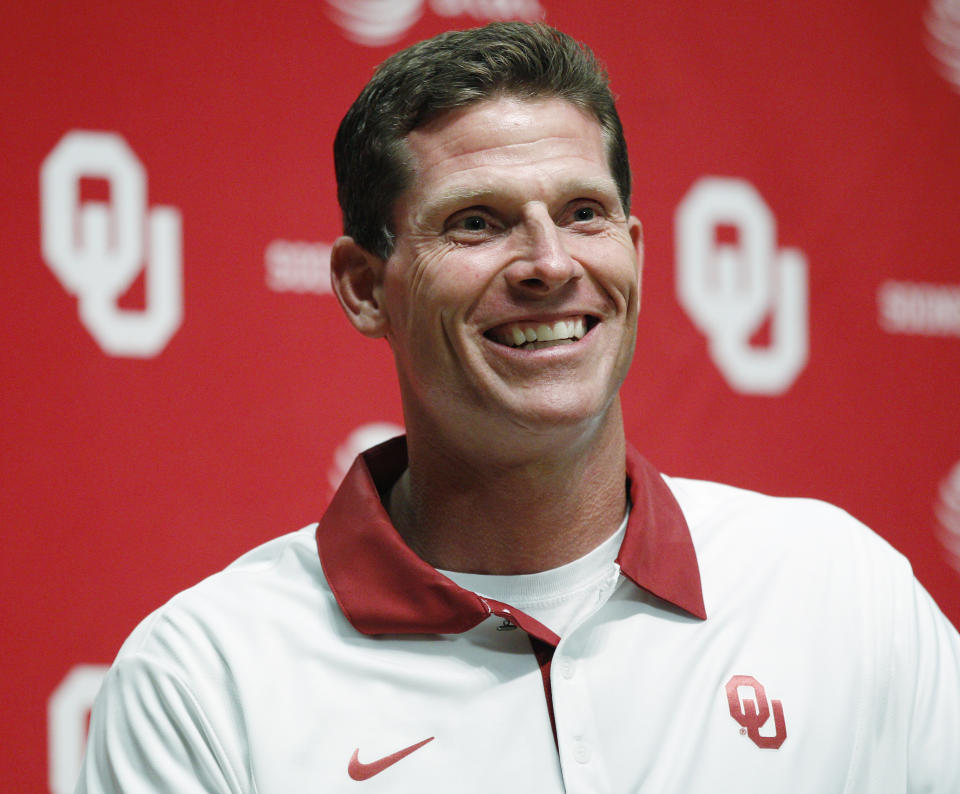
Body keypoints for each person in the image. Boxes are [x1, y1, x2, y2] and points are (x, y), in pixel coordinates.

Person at [76, 22, 960, 793]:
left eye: (584, 213)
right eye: (476, 222)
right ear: (361, 287)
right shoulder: (204, 677)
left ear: (636, 253)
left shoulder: (842, 592)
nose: (549, 263)